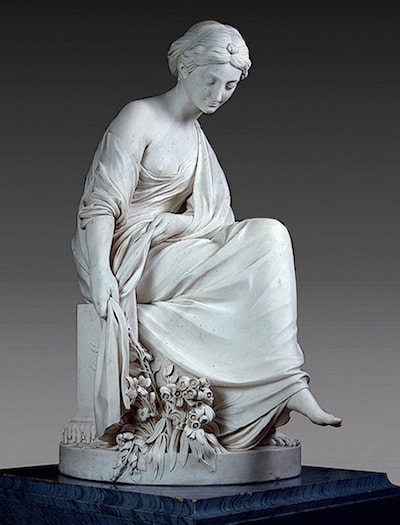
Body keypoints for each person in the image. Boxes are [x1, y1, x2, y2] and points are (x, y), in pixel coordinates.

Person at [71, 20, 341, 454]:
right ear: (185, 68)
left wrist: (176, 225)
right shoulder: (139, 117)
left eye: (230, 85)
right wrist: (101, 272)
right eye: (211, 80)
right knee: (251, 263)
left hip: (173, 246)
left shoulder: (196, 139)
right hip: (130, 255)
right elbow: (100, 205)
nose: (218, 94)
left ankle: (284, 382)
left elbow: (215, 219)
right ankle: (284, 387)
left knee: (270, 233)